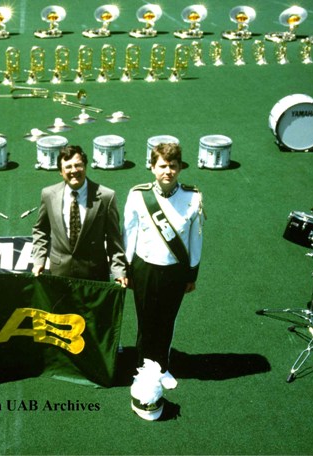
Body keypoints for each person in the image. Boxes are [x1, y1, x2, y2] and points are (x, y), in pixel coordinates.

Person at [123, 142, 204, 390]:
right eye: (162, 166)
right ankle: (142, 367)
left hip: (175, 270)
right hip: (144, 267)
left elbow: (195, 240)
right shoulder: (138, 195)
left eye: (173, 166)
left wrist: (192, 274)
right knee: (145, 320)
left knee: (167, 320)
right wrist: (127, 269)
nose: (167, 171)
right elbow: (129, 234)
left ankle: (162, 366)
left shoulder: (193, 197)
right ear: (152, 167)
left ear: (180, 168)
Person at [32, 145, 128, 285]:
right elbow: (40, 230)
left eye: (78, 165)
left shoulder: (106, 196)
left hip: (94, 276)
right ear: (61, 171)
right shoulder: (48, 195)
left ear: (85, 166)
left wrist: (119, 271)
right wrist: (39, 260)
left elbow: (114, 239)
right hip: (59, 274)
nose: (74, 171)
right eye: (68, 167)